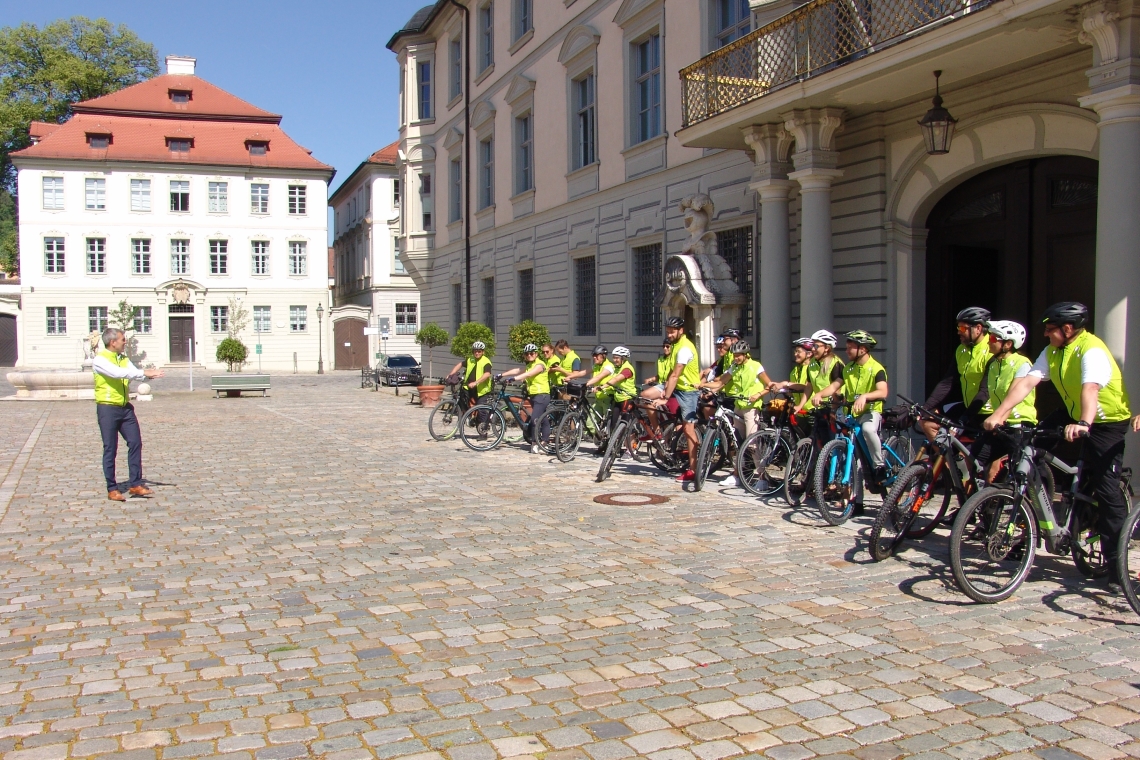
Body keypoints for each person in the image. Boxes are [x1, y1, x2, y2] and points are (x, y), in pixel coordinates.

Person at [986, 302, 1131, 582]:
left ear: (1067, 328)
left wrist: (1084, 424)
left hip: (1105, 419)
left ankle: (1116, 566)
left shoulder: (1092, 350)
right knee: (1030, 448)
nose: (1045, 334)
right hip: (1074, 411)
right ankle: (1036, 520)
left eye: (1050, 329)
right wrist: (1000, 414)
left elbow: (1091, 389)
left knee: (1106, 490)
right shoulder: (1053, 350)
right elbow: (1027, 382)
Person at [815, 330, 889, 511]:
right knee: (855, 460)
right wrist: (820, 394)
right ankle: (858, 502)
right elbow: (835, 385)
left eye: (851, 348)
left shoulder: (876, 368)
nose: (847, 351)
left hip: (871, 412)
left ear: (863, 349)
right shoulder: (848, 368)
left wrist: (865, 396)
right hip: (852, 415)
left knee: (868, 430)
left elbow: (883, 391)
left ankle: (879, 465)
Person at [93, 327, 164, 501]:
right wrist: (143, 373)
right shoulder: (100, 360)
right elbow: (117, 374)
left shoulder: (123, 358)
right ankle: (112, 488)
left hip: (125, 408)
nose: (125, 342)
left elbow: (133, 372)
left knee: (135, 442)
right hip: (107, 408)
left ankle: (135, 484)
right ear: (113, 342)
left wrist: (149, 376)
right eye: (123, 339)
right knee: (110, 448)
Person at [972, 320, 1036, 483]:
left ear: (1008, 344)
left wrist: (999, 418)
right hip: (1001, 425)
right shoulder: (994, 364)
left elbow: (1014, 394)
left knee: (1018, 473)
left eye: (993, 339)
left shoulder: (1023, 364)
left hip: (1018, 424)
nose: (989, 341)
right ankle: (979, 502)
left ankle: (1027, 504)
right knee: (975, 456)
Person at [921, 306, 993, 440]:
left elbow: (985, 391)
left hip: (988, 411)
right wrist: (925, 408)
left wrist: (964, 418)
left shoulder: (992, 349)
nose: (958, 332)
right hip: (967, 406)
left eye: (963, 328)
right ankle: (949, 461)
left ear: (978, 328)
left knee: (982, 456)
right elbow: (947, 382)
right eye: (958, 328)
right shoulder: (961, 349)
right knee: (927, 421)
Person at [657, 317, 702, 483]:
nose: (669, 334)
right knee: (646, 397)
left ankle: (693, 468)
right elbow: (671, 373)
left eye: (672, 331)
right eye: (667, 330)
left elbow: (676, 373)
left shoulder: (684, 348)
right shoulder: (675, 346)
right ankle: (657, 435)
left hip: (688, 392)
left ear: (681, 331)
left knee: (688, 429)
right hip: (678, 389)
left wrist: (666, 397)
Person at [498, 343, 550, 453]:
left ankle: (537, 443)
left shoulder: (540, 364)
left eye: (532, 353)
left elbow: (529, 374)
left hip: (542, 395)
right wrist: (502, 375)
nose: (529, 355)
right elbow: (517, 370)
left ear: (536, 354)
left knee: (535, 419)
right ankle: (545, 440)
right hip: (534, 396)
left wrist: (513, 379)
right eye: (527, 354)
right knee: (543, 419)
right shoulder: (529, 365)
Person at [769, 338, 818, 437]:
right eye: (795, 351)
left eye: (798, 352)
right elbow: (794, 391)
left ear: (809, 354)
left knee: (813, 444)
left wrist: (785, 384)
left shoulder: (813, 368)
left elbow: (806, 387)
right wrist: (781, 389)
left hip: (811, 412)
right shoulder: (795, 370)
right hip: (798, 412)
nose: (795, 354)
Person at [448, 341, 493, 407]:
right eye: (475, 351)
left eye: (479, 351)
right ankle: (466, 415)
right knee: (462, 404)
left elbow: (487, 374)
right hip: (468, 387)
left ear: (483, 352)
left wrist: (475, 382)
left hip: (481, 390)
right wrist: (451, 375)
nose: (477, 353)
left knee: (481, 411)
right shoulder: (470, 359)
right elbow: (460, 364)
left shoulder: (486, 361)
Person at [583, 346, 615, 433]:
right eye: (593, 355)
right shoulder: (596, 366)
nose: (594, 357)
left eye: (596, 355)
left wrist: (585, 385)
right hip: (599, 399)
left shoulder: (609, 366)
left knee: (610, 424)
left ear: (603, 356)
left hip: (607, 398)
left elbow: (598, 377)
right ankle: (598, 438)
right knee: (590, 423)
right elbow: (584, 372)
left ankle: (611, 442)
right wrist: (570, 377)